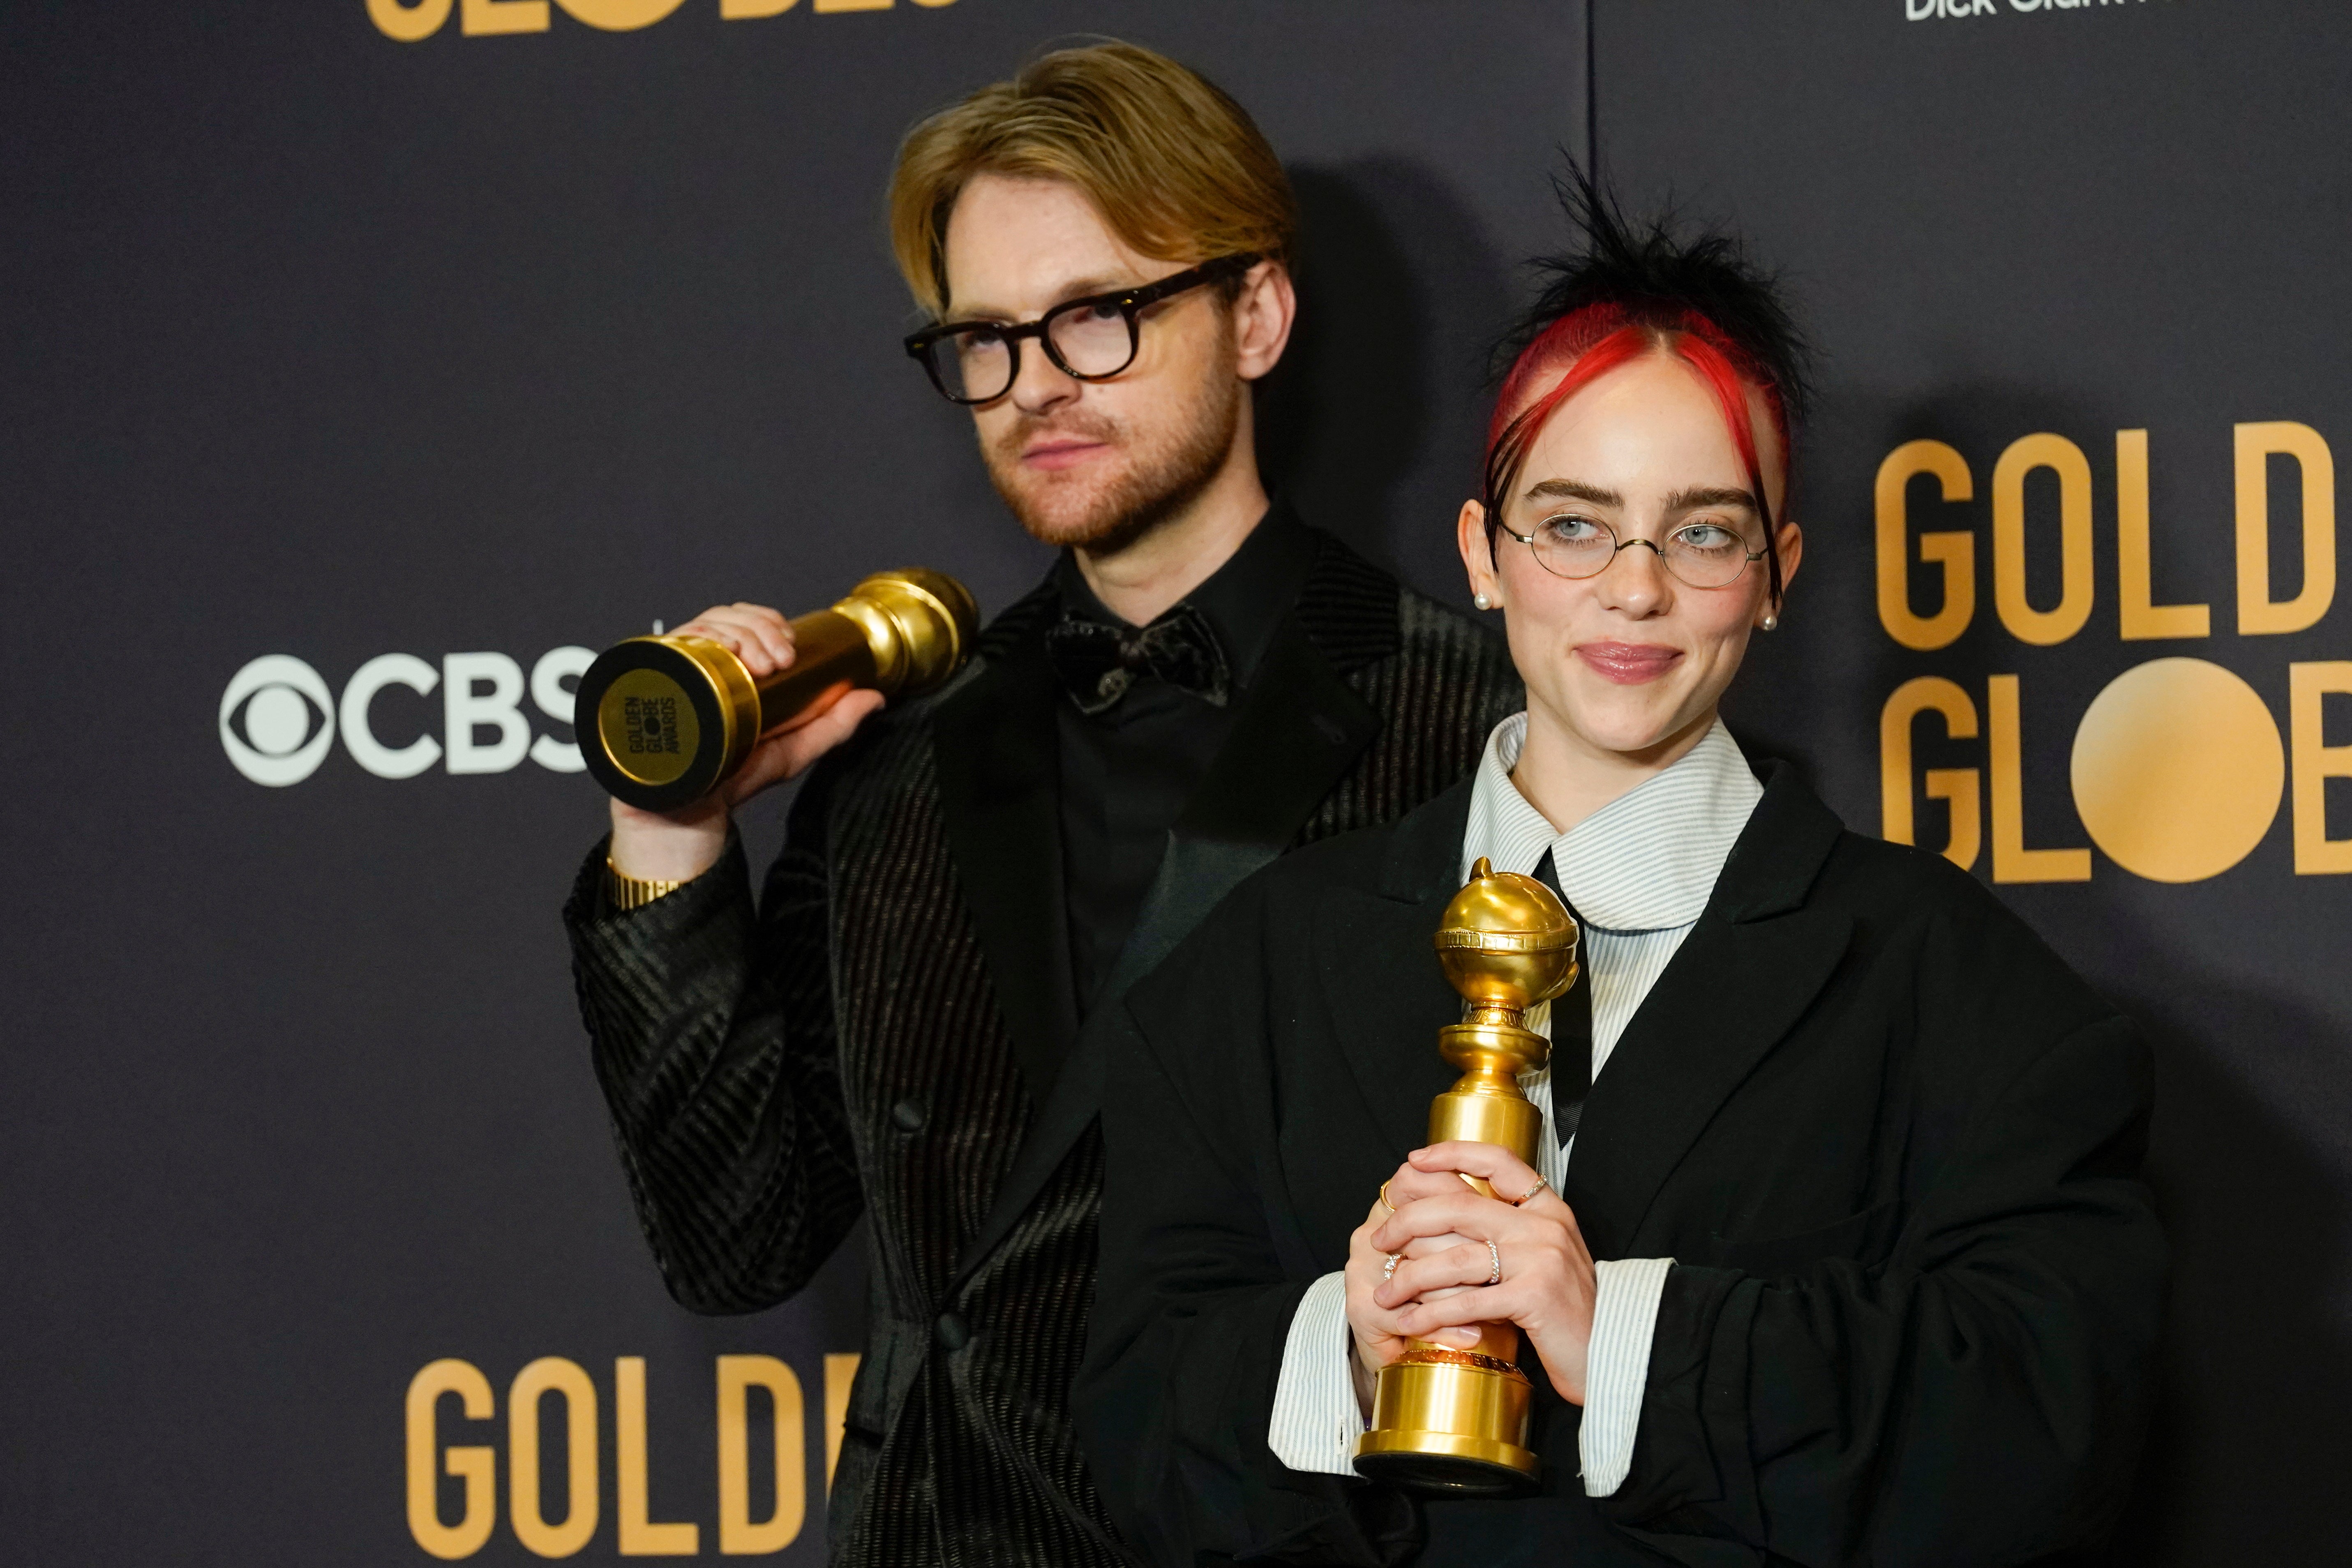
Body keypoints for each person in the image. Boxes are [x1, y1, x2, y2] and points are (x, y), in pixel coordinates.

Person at [1076, 181, 2166, 1567]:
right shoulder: (1253, 967)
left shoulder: (1961, 992)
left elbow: (2047, 1431)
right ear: (1483, 556)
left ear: (1775, 574)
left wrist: (1624, 1337)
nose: (1634, 590)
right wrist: (1343, 1349)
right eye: (1574, 525)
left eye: (1702, 532)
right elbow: (1132, 1429)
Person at [561, 41, 1521, 1568]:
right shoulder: (899, 754)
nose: (1034, 389)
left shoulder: (1478, 726)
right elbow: (735, 1240)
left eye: (1097, 316)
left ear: (1254, 316)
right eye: (985, 340)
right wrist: (673, 834)